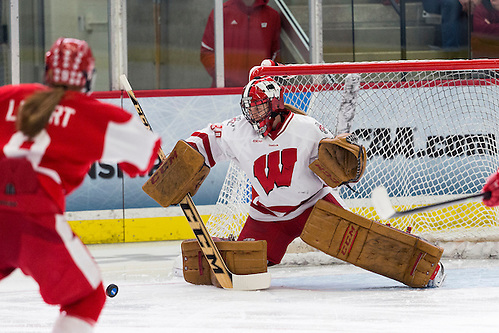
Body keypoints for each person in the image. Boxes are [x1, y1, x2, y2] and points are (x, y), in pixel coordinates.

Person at [0, 38, 161, 332]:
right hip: (34, 216)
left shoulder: (10, 96)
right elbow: (145, 155)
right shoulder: (89, 113)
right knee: (87, 298)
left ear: (48, 70)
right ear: (87, 77)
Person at [200, 0, 281, 87]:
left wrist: (266, 79)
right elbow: (207, 50)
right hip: (226, 92)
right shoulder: (222, 13)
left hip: (260, 92)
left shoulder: (272, 16)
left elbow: (276, 54)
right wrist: (225, 77)